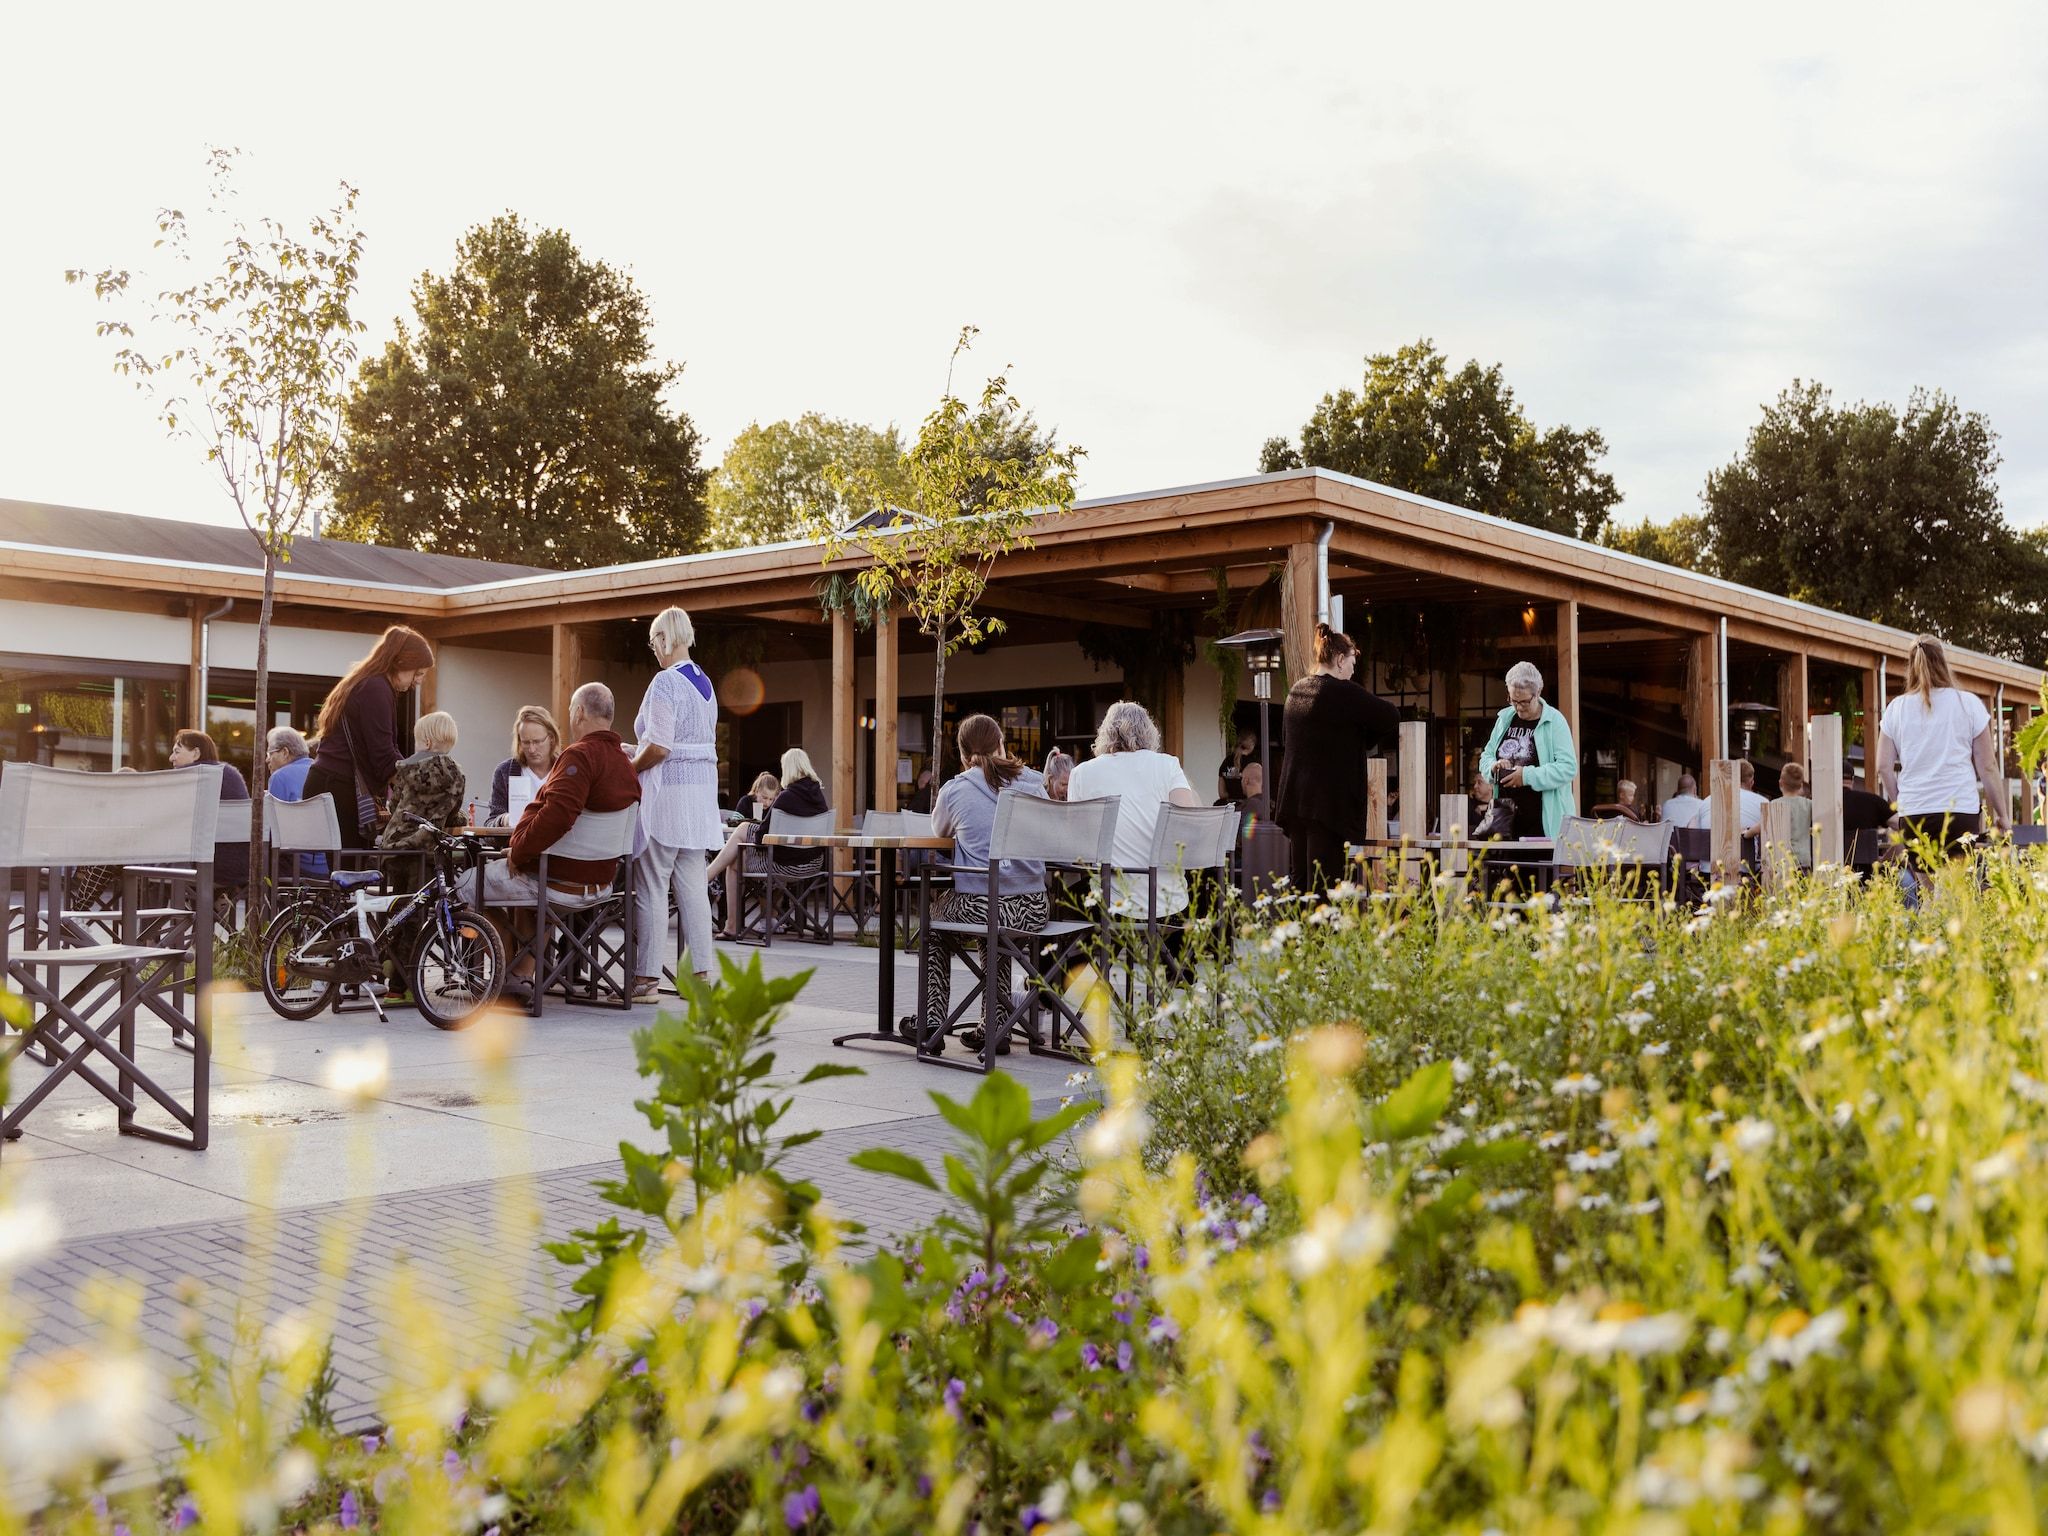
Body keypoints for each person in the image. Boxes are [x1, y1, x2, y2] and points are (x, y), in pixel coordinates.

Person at [457, 683, 640, 1002]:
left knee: (465, 886)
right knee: (529, 891)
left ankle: (509, 971)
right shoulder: (625, 763)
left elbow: (558, 815)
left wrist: (519, 850)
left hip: (559, 883)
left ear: (580, 712)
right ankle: (520, 976)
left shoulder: (580, 756)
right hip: (601, 883)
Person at [917, 714, 1050, 1057]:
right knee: (994, 927)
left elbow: (939, 834)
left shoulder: (956, 789)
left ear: (962, 755)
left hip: (986, 906)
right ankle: (995, 1025)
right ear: (1002, 743)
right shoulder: (1034, 783)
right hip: (1034, 907)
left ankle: (932, 1023)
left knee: (934, 921)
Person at [631, 607, 724, 997]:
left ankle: (647, 979)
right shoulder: (705, 683)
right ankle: (700, 976)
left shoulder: (666, 682)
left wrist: (631, 766)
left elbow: (660, 745)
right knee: (692, 887)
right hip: (699, 797)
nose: (653, 649)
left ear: (665, 639)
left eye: (654, 641)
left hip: (668, 795)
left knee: (652, 884)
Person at [1273, 623, 1402, 892]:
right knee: (1326, 886)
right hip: (1328, 806)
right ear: (1340, 660)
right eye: (1353, 661)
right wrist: (1366, 738)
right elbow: (1390, 715)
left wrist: (1357, 736)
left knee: (1300, 883)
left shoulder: (1296, 691)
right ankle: (1322, 936)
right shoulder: (1343, 691)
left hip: (1295, 802)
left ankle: (1296, 934)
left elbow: (1289, 739)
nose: (1354, 669)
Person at [1877, 633, 2010, 877]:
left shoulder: (1896, 708)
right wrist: (2002, 815)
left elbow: (1883, 767)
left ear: (1912, 665)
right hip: (1959, 811)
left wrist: (1901, 802)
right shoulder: (1967, 704)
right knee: (1953, 893)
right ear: (1943, 662)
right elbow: (1988, 766)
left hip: (1914, 813)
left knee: (1929, 896)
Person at [1067, 701, 1202, 919]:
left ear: (1105, 733)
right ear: (1149, 733)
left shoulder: (1081, 773)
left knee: (1070, 900)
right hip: (1169, 902)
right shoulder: (1168, 765)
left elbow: (1078, 844)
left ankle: (1080, 954)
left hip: (1110, 902)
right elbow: (1189, 824)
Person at [304, 626, 434, 850]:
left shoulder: (363, 681)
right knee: (355, 873)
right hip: (340, 789)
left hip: (326, 784)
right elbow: (384, 756)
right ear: (401, 663)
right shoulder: (376, 688)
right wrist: (423, 785)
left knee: (342, 872)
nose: (419, 681)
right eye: (419, 673)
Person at [709, 748, 831, 940]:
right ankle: (748, 919)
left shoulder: (786, 797)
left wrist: (749, 829)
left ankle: (730, 922)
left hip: (782, 865)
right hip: (813, 865)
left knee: (736, 855)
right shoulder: (820, 800)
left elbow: (760, 838)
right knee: (740, 849)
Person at [1478, 661, 1578, 840]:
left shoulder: (1555, 721)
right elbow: (1486, 756)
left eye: (1524, 701)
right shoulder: (1505, 719)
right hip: (1505, 822)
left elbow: (1568, 768)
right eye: (1512, 700)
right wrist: (1494, 767)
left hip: (1544, 824)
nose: (1517, 707)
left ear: (1538, 693)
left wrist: (1526, 776)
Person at [170, 729, 250, 888]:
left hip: (202, 865)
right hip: (241, 868)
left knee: (139, 864)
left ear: (196, 753)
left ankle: (152, 912)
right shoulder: (232, 773)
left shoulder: (191, 775)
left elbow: (173, 823)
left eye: (177, 752)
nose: (171, 758)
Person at [377, 711, 466, 851]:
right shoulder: (457, 777)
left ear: (427, 743)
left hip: (395, 845)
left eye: (416, 741)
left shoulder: (406, 769)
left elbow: (394, 806)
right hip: (429, 849)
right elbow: (452, 813)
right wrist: (463, 818)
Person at [263, 726, 326, 876]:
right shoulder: (320, 772)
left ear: (285, 752)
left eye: (269, 753)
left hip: (297, 867)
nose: (267, 759)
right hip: (328, 864)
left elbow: (270, 829)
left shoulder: (280, 777)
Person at [489, 706, 561, 825]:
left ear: (552, 738)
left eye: (537, 742)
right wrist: (504, 820)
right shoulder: (504, 772)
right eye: (526, 743)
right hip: (516, 842)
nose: (532, 749)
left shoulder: (566, 769)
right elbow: (490, 826)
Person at [1776, 762, 1815, 870]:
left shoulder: (1774, 804)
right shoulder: (1808, 804)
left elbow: (1762, 825)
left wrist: (1748, 833)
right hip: (1804, 858)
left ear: (1780, 783)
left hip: (1783, 859)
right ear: (1801, 786)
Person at [1217, 728, 1259, 801]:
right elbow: (1257, 792)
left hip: (1229, 808)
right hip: (1247, 808)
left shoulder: (1226, 762)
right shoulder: (1254, 765)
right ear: (1252, 745)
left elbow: (1222, 794)